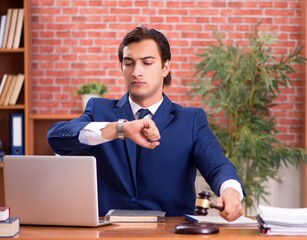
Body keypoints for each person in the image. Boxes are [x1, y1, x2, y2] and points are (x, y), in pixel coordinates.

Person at [47, 25, 244, 221]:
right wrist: (118, 129)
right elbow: (57, 138)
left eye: (147, 62)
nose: (136, 72)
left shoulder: (191, 120)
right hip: (108, 233)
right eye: (129, 63)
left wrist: (231, 192)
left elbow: (217, 166)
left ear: (165, 67)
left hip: (170, 233)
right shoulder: (99, 110)